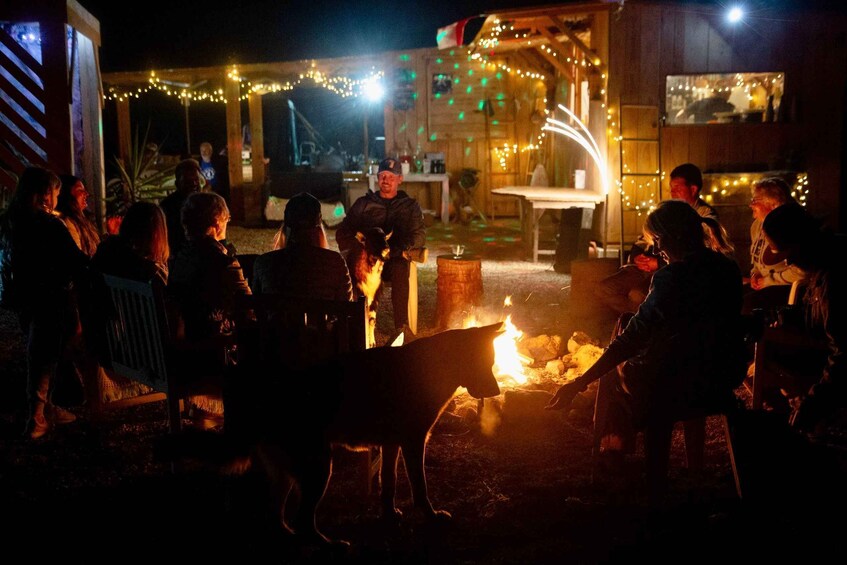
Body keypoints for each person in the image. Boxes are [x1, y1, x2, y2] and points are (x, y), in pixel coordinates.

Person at [547, 200, 746, 500]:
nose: (656, 250)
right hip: (720, 375)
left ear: (672, 237)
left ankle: (622, 456)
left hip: (677, 384)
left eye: (657, 241)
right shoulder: (727, 268)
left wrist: (580, 381)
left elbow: (631, 340)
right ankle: (673, 464)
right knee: (637, 341)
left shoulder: (672, 278)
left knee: (618, 374)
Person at [1, 167, 90, 439]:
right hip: (51, 296)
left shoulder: (10, 221)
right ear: (45, 194)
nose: (56, 199)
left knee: (40, 350)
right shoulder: (49, 225)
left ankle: (45, 408)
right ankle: (37, 416)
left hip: (22, 296)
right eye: (55, 194)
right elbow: (76, 261)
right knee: (44, 354)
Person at [762, 203, 846, 434]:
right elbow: (817, 313)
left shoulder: (834, 275)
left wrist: (813, 404)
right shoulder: (822, 263)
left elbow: (843, 354)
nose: (788, 263)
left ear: (802, 242)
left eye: (789, 254)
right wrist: (784, 317)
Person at [594, 163, 719, 315]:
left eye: (677, 188)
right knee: (604, 288)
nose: (672, 192)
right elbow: (643, 239)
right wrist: (637, 257)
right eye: (671, 188)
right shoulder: (667, 211)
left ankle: (643, 322)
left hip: (671, 270)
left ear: (693, 189)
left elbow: (699, 254)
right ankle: (635, 319)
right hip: (645, 266)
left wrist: (659, 263)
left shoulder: (704, 215)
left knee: (637, 295)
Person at [335, 157, 426, 334]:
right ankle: (354, 324)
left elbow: (419, 235)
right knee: (350, 269)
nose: (386, 180)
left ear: (400, 179)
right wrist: (359, 249)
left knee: (401, 266)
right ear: (377, 178)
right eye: (383, 175)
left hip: (393, 260)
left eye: (391, 176)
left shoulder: (410, 206)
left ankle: (401, 328)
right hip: (366, 263)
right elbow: (343, 232)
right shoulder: (364, 204)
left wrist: (399, 249)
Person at [168, 192, 251, 376]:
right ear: (216, 221)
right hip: (210, 354)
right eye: (227, 219)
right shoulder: (223, 263)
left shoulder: (177, 259)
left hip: (183, 350)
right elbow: (249, 308)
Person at [252, 192, 353, 301]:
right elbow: (346, 306)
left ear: (285, 229)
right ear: (318, 229)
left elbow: (256, 305)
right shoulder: (335, 263)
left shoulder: (264, 263)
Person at [744, 177, 803, 314]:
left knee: (747, 304)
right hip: (765, 285)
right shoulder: (757, 226)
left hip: (786, 289)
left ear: (773, 203)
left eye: (755, 200)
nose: (750, 205)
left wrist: (768, 281)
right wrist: (756, 274)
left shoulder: (792, 227)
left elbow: (802, 272)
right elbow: (757, 262)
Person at [160, 158, 204, 257]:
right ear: (177, 184)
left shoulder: (206, 204)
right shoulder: (167, 207)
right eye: (188, 181)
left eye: (196, 180)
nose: (194, 184)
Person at [57, 175, 100, 258]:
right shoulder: (67, 223)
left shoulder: (84, 220)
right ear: (67, 194)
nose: (86, 194)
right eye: (80, 190)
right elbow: (77, 257)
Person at [199, 141, 231, 207]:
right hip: (205, 192)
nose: (203, 153)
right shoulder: (198, 163)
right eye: (202, 150)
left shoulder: (218, 162)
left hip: (218, 192)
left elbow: (223, 180)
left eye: (206, 150)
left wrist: (212, 187)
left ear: (211, 151)